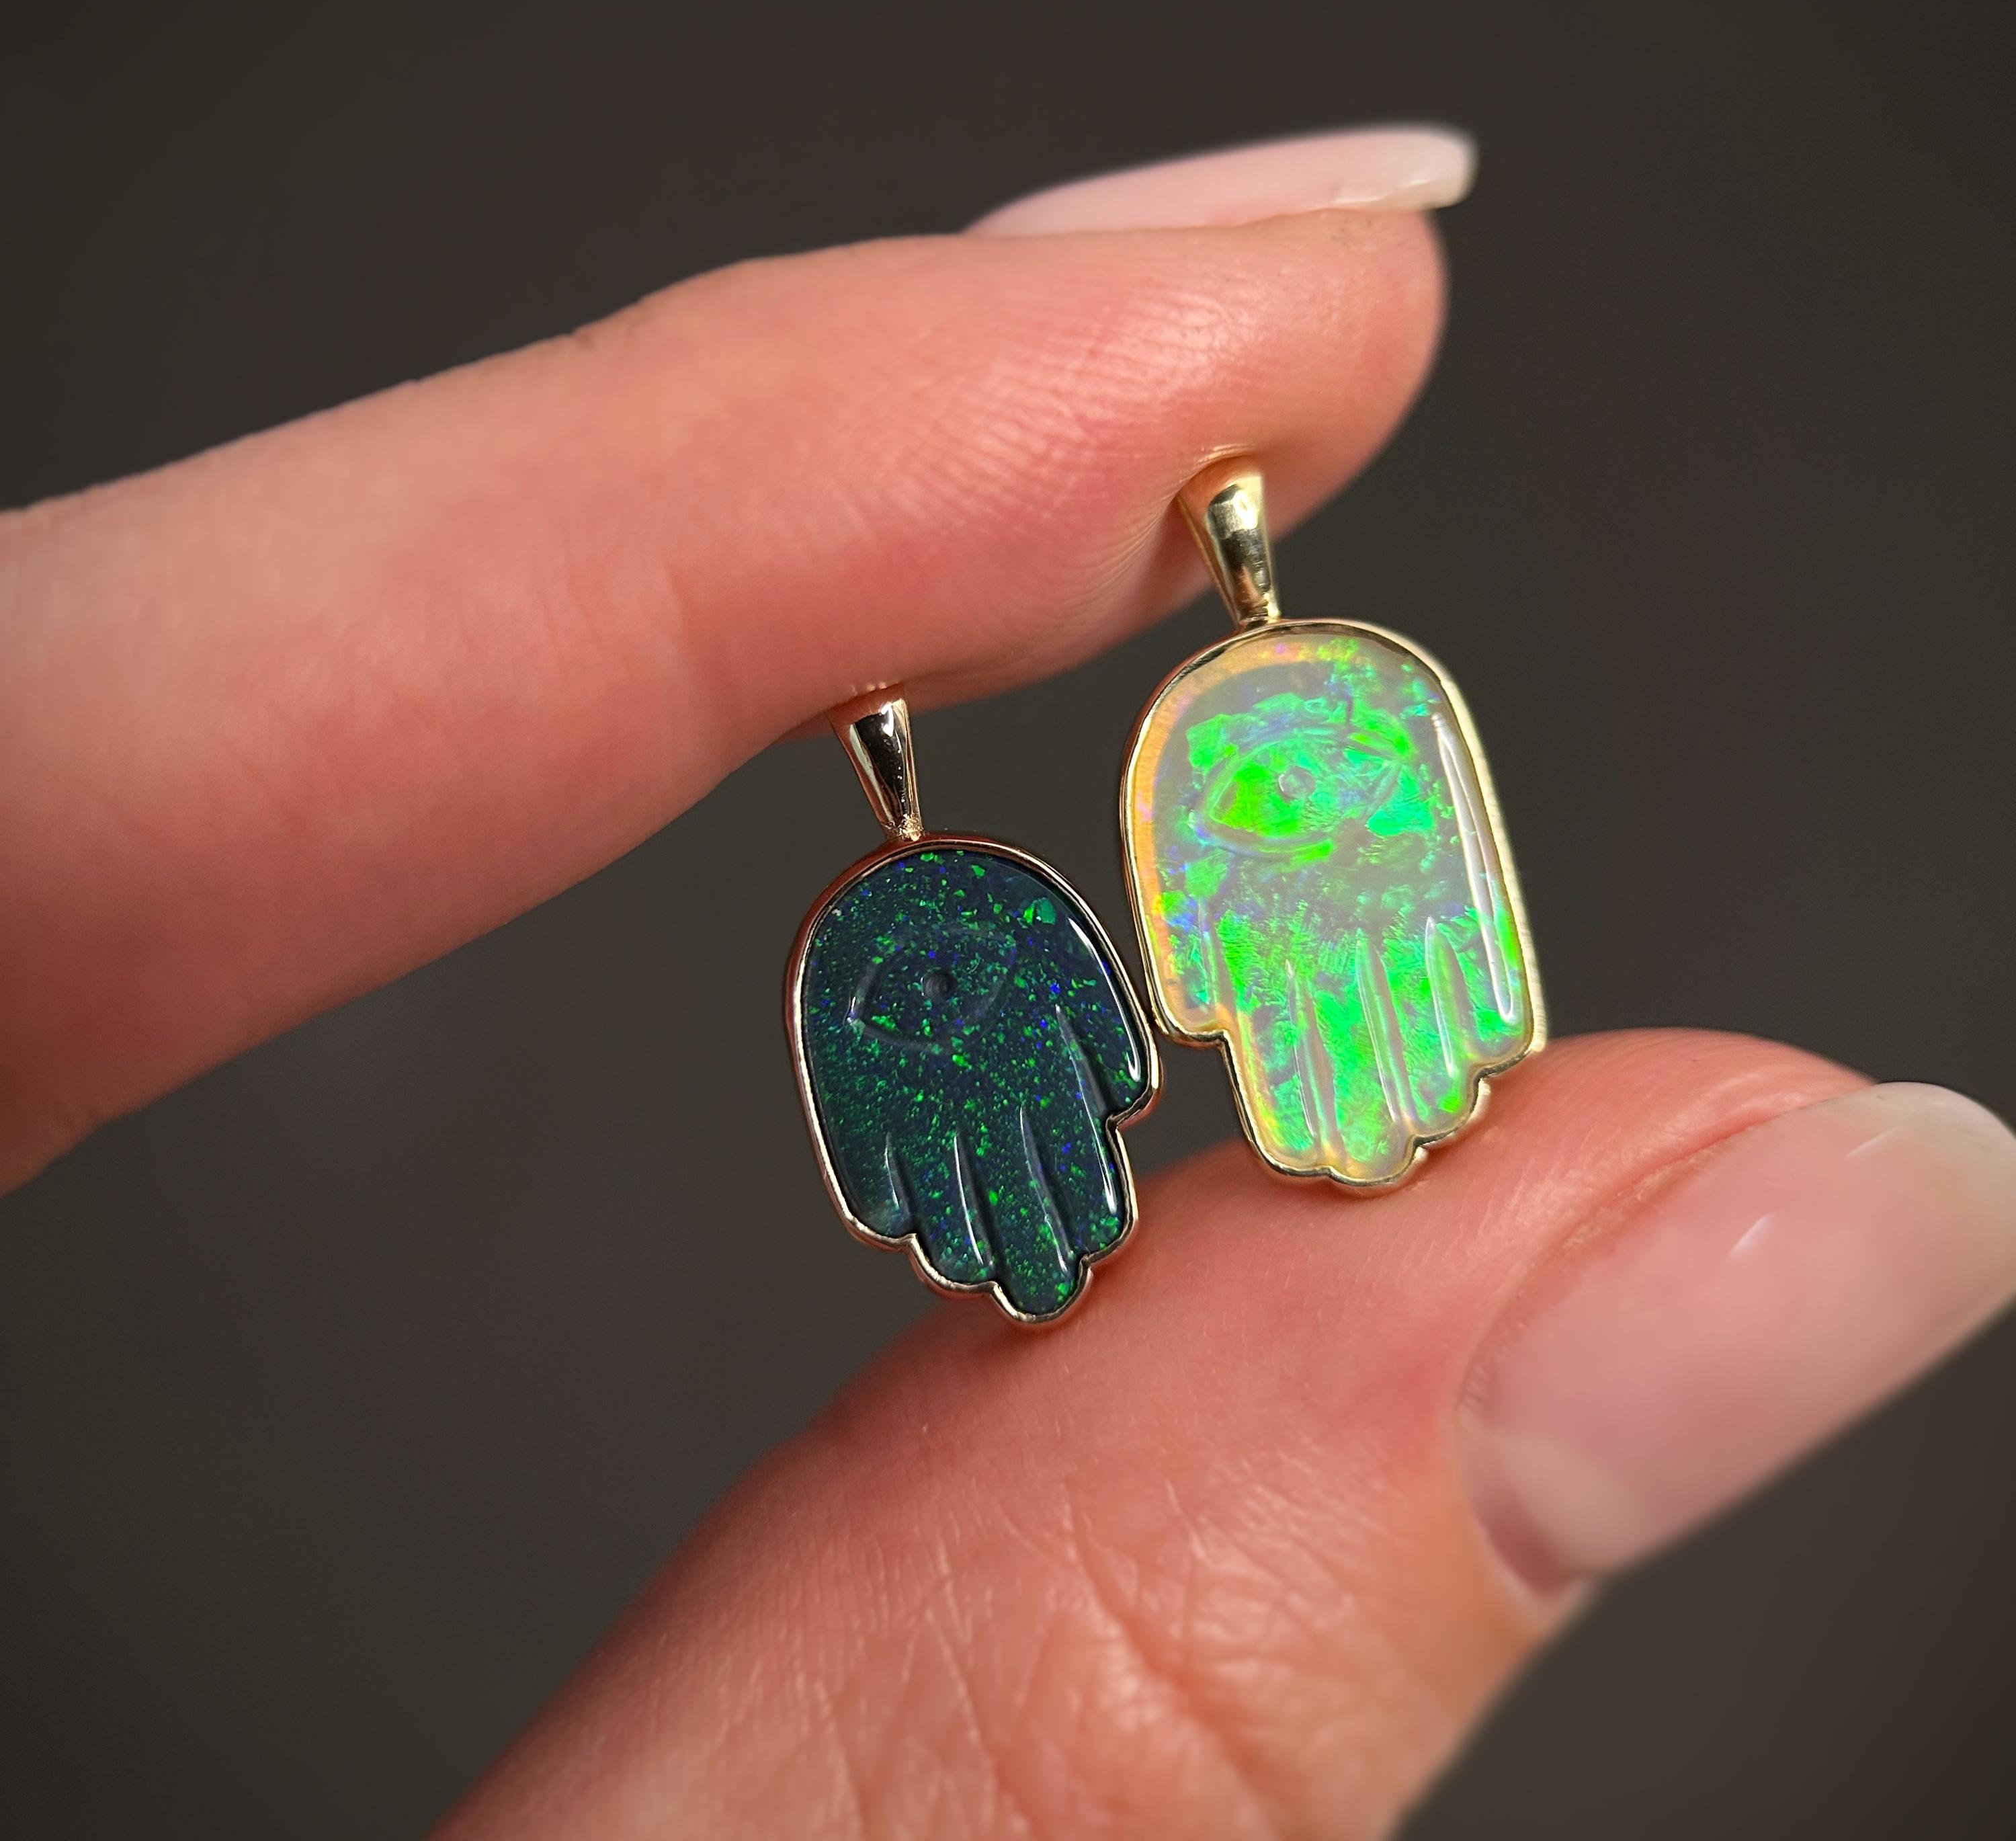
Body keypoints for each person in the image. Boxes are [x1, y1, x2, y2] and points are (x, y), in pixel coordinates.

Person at [6, 97, 2014, 1836]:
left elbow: (1163, 1016)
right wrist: (1155, 1007)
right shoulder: (1076, 853)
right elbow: (1142, 1029)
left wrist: (1209, 974)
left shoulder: (1267, 750)